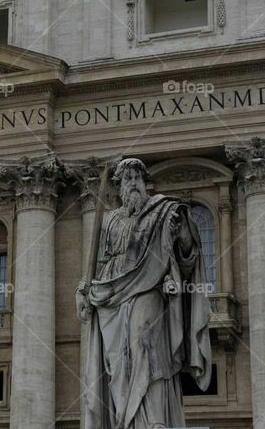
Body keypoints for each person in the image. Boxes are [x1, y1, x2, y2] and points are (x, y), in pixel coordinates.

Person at [77, 157, 212, 429]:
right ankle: (124, 420)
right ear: (119, 187)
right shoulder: (110, 221)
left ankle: (154, 420)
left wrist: (183, 233)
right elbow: (98, 265)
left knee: (145, 343)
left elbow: (186, 259)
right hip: (111, 298)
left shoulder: (162, 212)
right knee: (117, 361)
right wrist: (83, 290)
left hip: (149, 288)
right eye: (128, 179)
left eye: (137, 178)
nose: (133, 184)